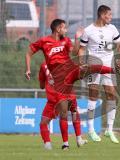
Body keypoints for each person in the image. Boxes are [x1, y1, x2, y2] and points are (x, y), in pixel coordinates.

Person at [25, 18, 84, 150]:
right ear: (58, 29)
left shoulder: (66, 41)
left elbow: (74, 52)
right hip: (54, 98)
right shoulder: (44, 42)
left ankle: (72, 141)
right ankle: (54, 144)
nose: (66, 30)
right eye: (64, 28)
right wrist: (28, 69)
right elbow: (29, 52)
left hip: (62, 93)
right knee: (47, 121)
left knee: (72, 112)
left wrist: (77, 38)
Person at [78, 5, 120, 144]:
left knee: (111, 95)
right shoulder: (88, 30)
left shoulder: (112, 29)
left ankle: (109, 130)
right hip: (93, 66)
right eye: (108, 15)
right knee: (93, 95)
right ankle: (91, 130)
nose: (110, 18)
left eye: (111, 15)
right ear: (101, 15)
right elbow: (81, 49)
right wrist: (82, 62)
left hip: (108, 65)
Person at [38, 61, 88, 150]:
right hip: (68, 95)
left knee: (44, 123)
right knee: (74, 112)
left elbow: (41, 86)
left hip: (54, 98)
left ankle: (49, 144)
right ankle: (78, 139)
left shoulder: (44, 65)